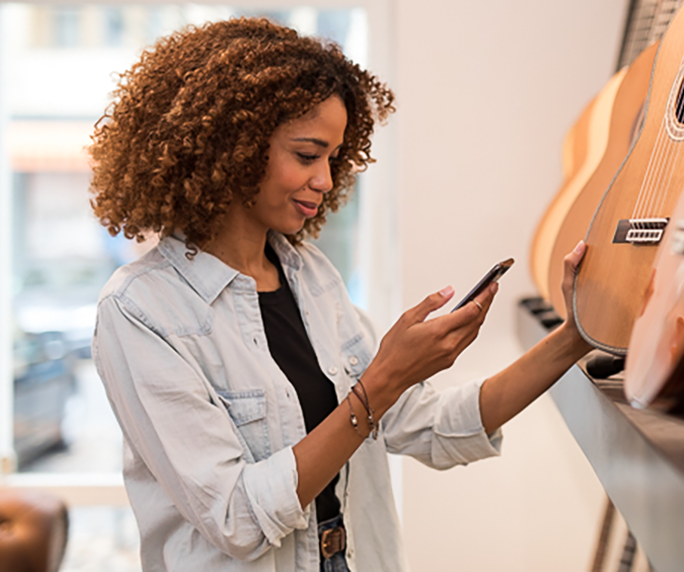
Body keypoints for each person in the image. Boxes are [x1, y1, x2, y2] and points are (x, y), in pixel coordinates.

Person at [88, 17, 592, 572]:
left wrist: (574, 337)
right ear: (231, 148)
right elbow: (235, 518)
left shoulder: (311, 276)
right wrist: (382, 382)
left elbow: (432, 425)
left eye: (333, 157)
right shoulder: (141, 311)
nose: (326, 180)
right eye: (307, 156)